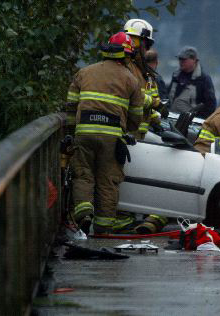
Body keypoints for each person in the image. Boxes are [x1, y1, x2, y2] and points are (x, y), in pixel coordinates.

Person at [66, 32, 143, 234]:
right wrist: (131, 131)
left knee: (82, 174)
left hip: (84, 132)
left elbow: (71, 106)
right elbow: (136, 115)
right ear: (126, 55)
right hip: (112, 138)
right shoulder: (131, 79)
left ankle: (84, 214)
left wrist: (70, 132)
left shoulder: (84, 72)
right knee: (108, 180)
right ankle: (103, 228)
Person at [123, 19, 165, 140]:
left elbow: (145, 101)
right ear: (137, 43)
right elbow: (135, 96)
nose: (147, 50)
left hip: (136, 133)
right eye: (147, 45)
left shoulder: (141, 70)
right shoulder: (127, 68)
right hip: (127, 131)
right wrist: (156, 103)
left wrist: (154, 121)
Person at [168, 46, 216, 119]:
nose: (180, 62)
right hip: (170, 118)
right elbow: (168, 95)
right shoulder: (176, 75)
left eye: (184, 59)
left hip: (190, 124)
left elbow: (210, 106)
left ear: (194, 60)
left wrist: (197, 119)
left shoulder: (204, 79)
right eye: (180, 59)